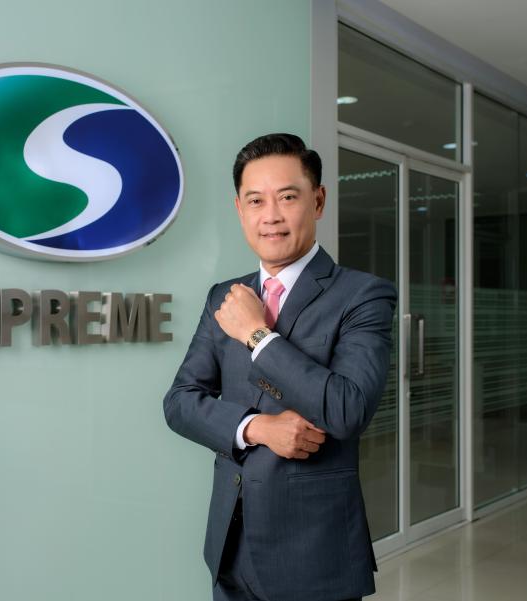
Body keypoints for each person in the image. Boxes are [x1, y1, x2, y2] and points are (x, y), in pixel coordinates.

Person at [163, 133, 396, 601]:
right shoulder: (225, 296)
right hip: (230, 545)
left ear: (318, 200)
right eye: (255, 200)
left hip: (314, 553)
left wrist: (257, 335)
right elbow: (180, 403)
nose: (270, 215)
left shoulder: (362, 295)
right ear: (239, 209)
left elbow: (348, 408)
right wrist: (254, 428)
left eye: (287, 197)